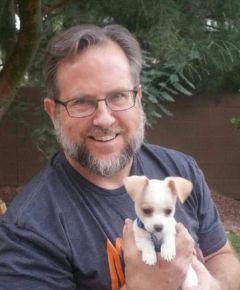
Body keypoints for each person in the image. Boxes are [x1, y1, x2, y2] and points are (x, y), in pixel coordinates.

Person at [0, 24, 239, 290]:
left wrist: (216, 285)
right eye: (81, 102)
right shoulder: (29, 230)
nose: (103, 119)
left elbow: (221, 255)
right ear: (53, 112)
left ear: (138, 99)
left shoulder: (180, 169)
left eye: (118, 96)